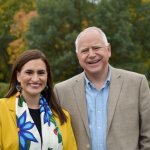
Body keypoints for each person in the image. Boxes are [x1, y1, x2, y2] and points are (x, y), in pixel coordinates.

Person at [54, 27, 150, 150]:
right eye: (84, 50)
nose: (92, 54)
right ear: (78, 56)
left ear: (108, 50)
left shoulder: (137, 84)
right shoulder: (62, 92)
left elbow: (148, 135)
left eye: (96, 48)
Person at [0, 49, 77, 150]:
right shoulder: (2, 110)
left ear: (47, 77)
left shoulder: (62, 116)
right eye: (29, 72)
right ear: (18, 76)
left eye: (41, 73)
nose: (35, 79)